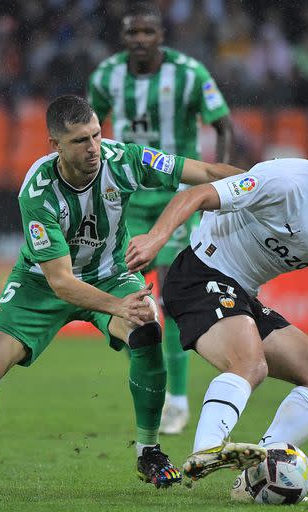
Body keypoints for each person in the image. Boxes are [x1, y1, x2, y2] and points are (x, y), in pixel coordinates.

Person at [0, 95, 243, 491]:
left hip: (110, 273)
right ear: (55, 146)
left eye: (97, 134)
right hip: (39, 285)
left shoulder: (124, 159)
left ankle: (148, 450)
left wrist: (269, 180)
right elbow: (61, 282)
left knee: (148, 328)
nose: (94, 147)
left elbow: (202, 170)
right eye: (80, 140)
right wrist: (120, 306)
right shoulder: (38, 191)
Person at [125, 116, 308, 481]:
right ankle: (206, 449)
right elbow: (195, 194)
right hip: (200, 273)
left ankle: (263, 471)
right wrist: (156, 238)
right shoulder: (286, 179)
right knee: (249, 363)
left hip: (243, 296)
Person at [88, 1, 233, 435]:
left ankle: (177, 400)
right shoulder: (105, 76)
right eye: (132, 33)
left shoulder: (190, 74)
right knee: (125, 296)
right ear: (124, 37)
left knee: (169, 295)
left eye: (147, 32)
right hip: (126, 200)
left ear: (161, 36)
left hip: (176, 199)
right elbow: (86, 125)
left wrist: (216, 190)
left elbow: (223, 125)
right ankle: (146, 378)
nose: (139, 40)